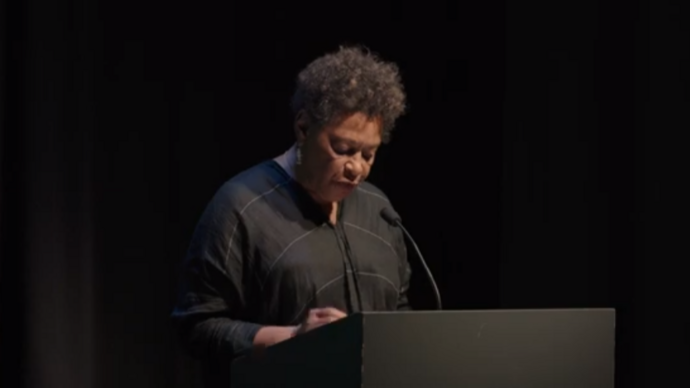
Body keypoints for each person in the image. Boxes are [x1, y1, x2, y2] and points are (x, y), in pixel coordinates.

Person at [171, 45, 411, 385]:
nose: (356, 167)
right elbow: (197, 327)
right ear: (303, 129)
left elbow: (399, 314)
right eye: (342, 149)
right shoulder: (241, 206)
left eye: (368, 154)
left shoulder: (380, 211)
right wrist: (294, 337)